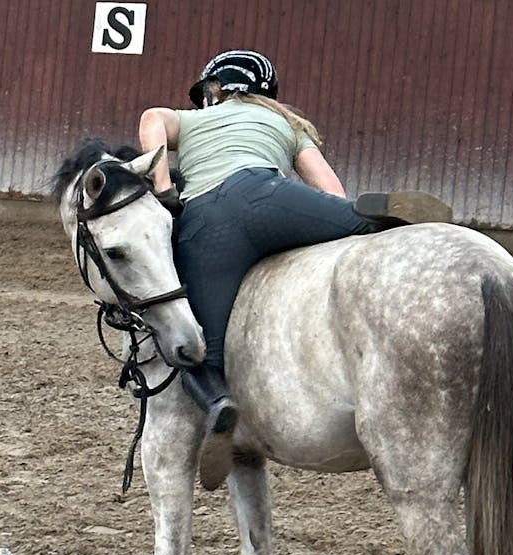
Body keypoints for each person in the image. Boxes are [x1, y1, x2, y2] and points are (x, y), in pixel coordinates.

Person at [138, 49, 450, 445]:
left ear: (214, 91)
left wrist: (164, 191)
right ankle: (378, 213)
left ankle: (218, 404)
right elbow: (331, 189)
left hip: (208, 219)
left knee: (202, 349)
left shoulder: (195, 118)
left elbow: (151, 119)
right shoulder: (286, 123)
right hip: (271, 195)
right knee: (351, 220)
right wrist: (336, 214)